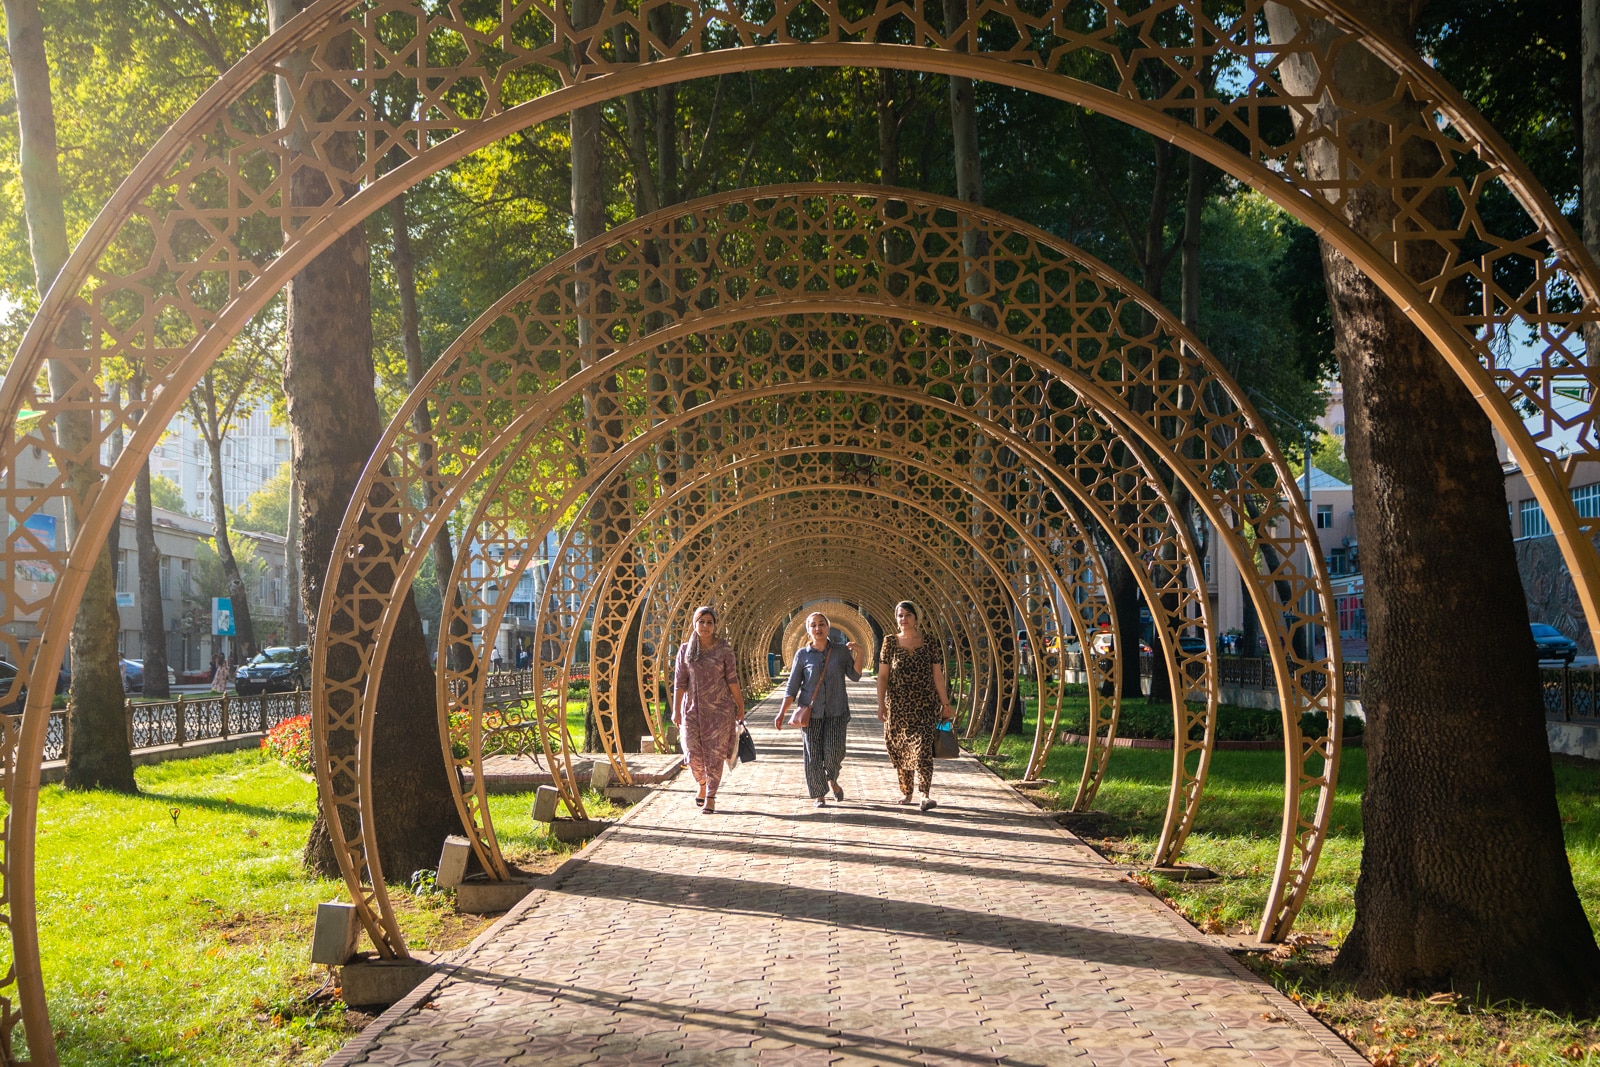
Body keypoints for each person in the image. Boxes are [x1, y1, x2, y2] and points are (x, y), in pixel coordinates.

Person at [776, 611, 862, 807]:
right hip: (810, 713)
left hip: (837, 711)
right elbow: (792, 686)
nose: (818, 628)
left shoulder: (840, 651)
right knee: (813, 755)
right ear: (808, 630)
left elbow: (855, 676)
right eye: (813, 625)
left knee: (834, 753)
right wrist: (782, 712)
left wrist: (860, 652)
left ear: (828, 627)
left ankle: (832, 780)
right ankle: (819, 794)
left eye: (821, 624)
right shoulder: (802, 655)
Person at [876, 600, 955, 811]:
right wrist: (881, 704)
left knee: (922, 750)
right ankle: (907, 791)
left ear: (916, 617)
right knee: (902, 749)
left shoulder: (928, 641)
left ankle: (925, 794)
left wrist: (945, 703)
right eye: (900, 615)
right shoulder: (889, 642)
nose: (904, 619)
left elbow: (937, 674)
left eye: (908, 615)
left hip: (925, 705)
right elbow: (883, 676)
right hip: (898, 707)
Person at [672, 606, 745, 814]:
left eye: (709, 622)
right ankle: (702, 783)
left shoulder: (723, 649)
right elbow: (679, 683)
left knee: (715, 755)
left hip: (719, 712)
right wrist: (676, 711)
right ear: (694, 624)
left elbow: (732, 679)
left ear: (714, 626)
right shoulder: (686, 650)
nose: (705, 626)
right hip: (691, 711)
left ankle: (711, 796)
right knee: (692, 752)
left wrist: (740, 705)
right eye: (701, 621)